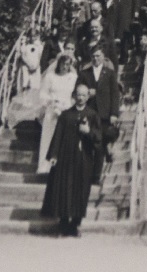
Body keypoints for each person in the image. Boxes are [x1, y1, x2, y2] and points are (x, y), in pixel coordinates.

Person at [41, 83, 102, 237]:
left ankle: (75, 224)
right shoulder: (66, 115)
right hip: (66, 158)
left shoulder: (93, 115)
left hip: (84, 158)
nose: (80, 98)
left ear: (88, 97)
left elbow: (99, 138)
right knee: (64, 190)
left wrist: (88, 132)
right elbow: (57, 136)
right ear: (74, 96)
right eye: (78, 95)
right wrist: (54, 156)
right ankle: (63, 223)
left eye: (83, 95)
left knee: (80, 191)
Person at [77, 45, 119, 182]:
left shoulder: (110, 73)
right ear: (90, 58)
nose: (96, 58)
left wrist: (114, 113)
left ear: (103, 57)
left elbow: (115, 94)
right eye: (93, 56)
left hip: (104, 114)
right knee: (88, 143)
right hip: (88, 113)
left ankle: (95, 177)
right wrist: (87, 93)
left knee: (99, 144)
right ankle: (86, 173)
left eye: (98, 56)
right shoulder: (84, 73)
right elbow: (75, 92)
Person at [37, 52, 78, 174]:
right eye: (62, 64)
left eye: (67, 64)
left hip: (67, 109)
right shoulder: (50, 77)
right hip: (52, 110)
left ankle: (64, 166)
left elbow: (75, 94)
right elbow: (42, 94)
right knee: (50, 137)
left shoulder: (73, 77)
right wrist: (51, 101)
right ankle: (46, 165)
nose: (64, 67)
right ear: (58, 64)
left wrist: (69, 104)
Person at [112, 0, 133, 64]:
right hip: (114, 11)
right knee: (114, 33)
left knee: (124, 33)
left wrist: (135, 11)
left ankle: (124, 57)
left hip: (125, 11)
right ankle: (113, 57)